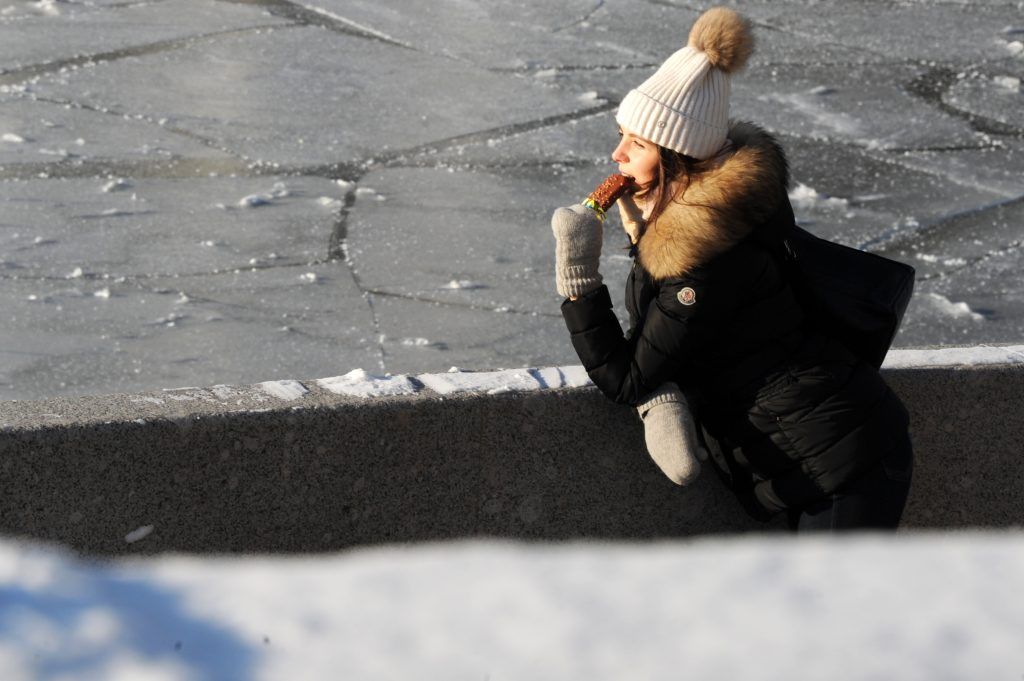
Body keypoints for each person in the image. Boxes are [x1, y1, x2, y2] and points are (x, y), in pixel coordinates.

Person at [550, 7, 914, 531]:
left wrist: (578, 277)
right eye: (621, 135)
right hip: (815, 457)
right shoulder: (714, 220)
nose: (618, 154)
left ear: (679, 158)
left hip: (842, 463)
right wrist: (644, 240)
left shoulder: (707, 260)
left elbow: (628, 376)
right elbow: (671, 335)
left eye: (638, 143)